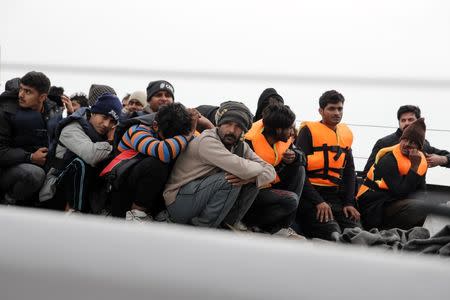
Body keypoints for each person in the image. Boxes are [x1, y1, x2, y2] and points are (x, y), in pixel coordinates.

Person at [163, 101, 276, 228]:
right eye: (228, 124)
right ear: (219, 124)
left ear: (244, 130)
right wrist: (255, 171)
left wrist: (252, 178)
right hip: (178, 203)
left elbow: (271, 171)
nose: (232, 130)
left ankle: (227, 224)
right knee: (229, 179)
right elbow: (244, 169)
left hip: (201, 196)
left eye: (238, 126)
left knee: (254, 180)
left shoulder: (240, 146)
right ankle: (201, 229)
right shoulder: (207, 141)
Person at [102, 103, 197, 221]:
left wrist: (203, 123)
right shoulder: (137, 130)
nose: (171, 141)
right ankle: (137, 214)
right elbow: (165, 152)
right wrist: (188, 133)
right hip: (121, 193)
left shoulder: (178, 131)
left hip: (151, 195)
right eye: (166, 138)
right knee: (157, 163)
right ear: (155, 125)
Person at [40, 93, 122, 213]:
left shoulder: (103, 132)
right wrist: (110, 142)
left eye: (112, 122)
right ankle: (73, 212)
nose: (106, 125)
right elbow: (91, 155)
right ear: (93, 112)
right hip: (55, 190)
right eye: (104, 117)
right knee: (80, 163)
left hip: (89, 190)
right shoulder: (71, 127)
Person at [295, 90, 360, 240]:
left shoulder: (345, 135)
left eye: (340, 108)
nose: (337, 112)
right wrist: (318, 201)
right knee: (333, 232)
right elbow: (299, 172)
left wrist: (349, 203)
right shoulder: (308, 132)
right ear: (321, 111)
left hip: (335, 197)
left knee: (356, 231)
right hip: (310, 197)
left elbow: (350, 172)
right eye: (331, 108)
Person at [243, 103, 305, 236]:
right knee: (291, 200)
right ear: (279, 130)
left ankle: (283, 227)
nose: (293, 132)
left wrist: (296, 156)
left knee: (299, 168)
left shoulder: (284, 138)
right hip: (251, 191)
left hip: (269, 185)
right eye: (290, 128)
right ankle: (250, 224)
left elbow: (302, 157)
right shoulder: (249, 143)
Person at [0, 71, 61, 205]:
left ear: (42, 97)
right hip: (7, 170)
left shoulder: (53, 112)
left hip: (42, 165)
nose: (21, 95)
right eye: (21, 89)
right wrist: (31, 157)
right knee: (34, 174)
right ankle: (7, 203)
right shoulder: (6, 111)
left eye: (28, 92)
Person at [357, 118, 428, 230]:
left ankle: (406, 234)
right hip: (374, 205)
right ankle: (385, 231)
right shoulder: (388, 159)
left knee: (426, 206)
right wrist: (414, 168)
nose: (407, 144)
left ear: (418, 148)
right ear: (401, 139)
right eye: (405, 140)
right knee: (416, 207)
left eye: (413, 142)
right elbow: (400, 192)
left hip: (394, 202)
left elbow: (421, 190)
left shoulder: (420, 160)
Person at [363, 105, 449, 177]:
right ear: (399, 122)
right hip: (390, 194)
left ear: (418, 122)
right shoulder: (383, 143)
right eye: (403, 120)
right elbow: (366, 173)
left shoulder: (424, 144)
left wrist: (442, 159)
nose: (407, 123)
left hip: (418, 194)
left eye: (410, 119)